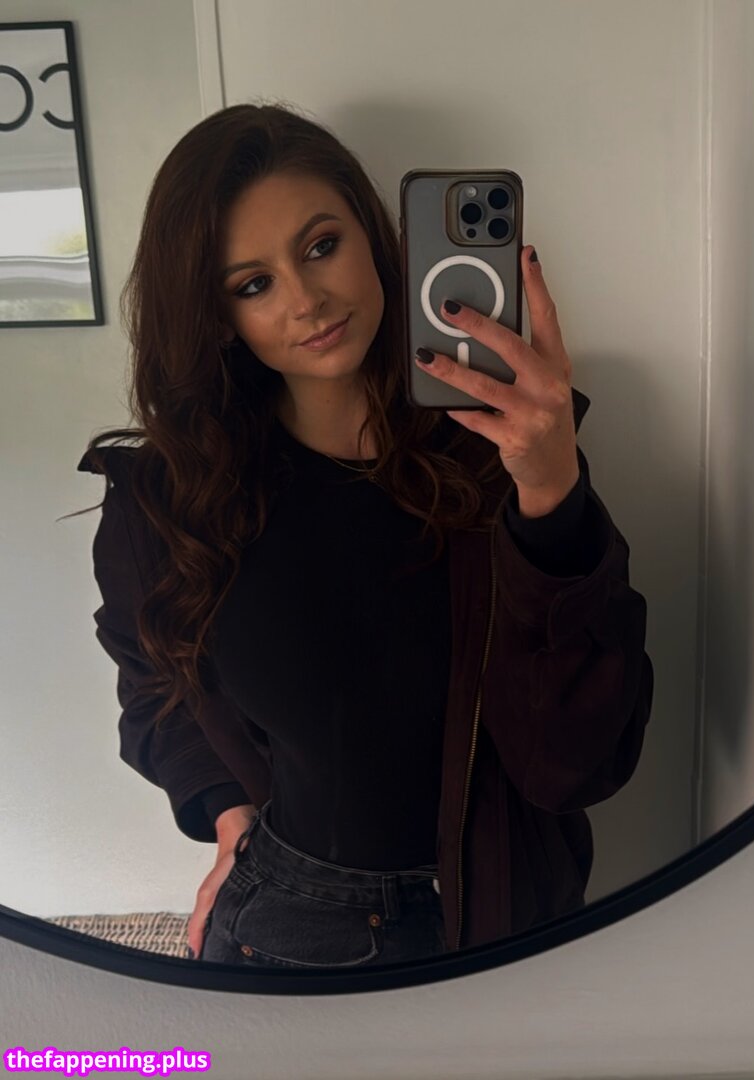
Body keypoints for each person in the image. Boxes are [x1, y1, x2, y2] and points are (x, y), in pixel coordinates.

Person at [71, 102, 654, 969]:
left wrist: (551, 488)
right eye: (253, 284)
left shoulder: (504, 451)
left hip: (505, 918)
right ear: (218, 315)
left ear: (375, 238)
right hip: (288, 922)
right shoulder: (174, 498)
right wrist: (227, 812)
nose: (306, 300)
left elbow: (578, 764)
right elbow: (152, 679)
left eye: (320, 246)